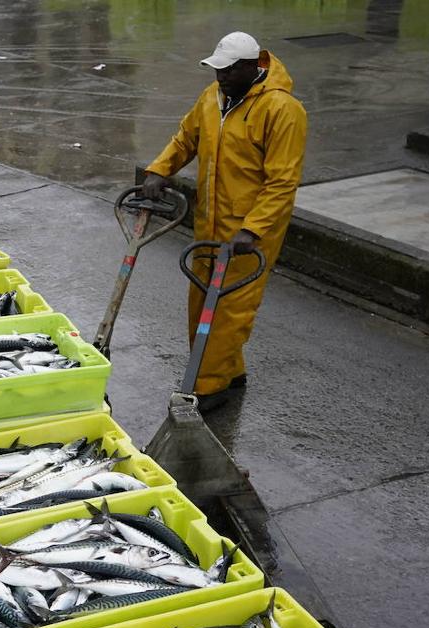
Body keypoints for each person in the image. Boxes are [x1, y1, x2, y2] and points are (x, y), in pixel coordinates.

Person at [142, 32, 307, 413]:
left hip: (250, 230)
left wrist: (253, 228)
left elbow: (283, 181)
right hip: (210, 221)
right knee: (202, 300)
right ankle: (228, 369)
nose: (221, 77)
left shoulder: (282, 110)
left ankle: (209, 386)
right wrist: (159, 171)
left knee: (230, 308)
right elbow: (185, 138)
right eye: (217, 69)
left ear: (252, 67)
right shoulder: (211, 99)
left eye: (229, 71)